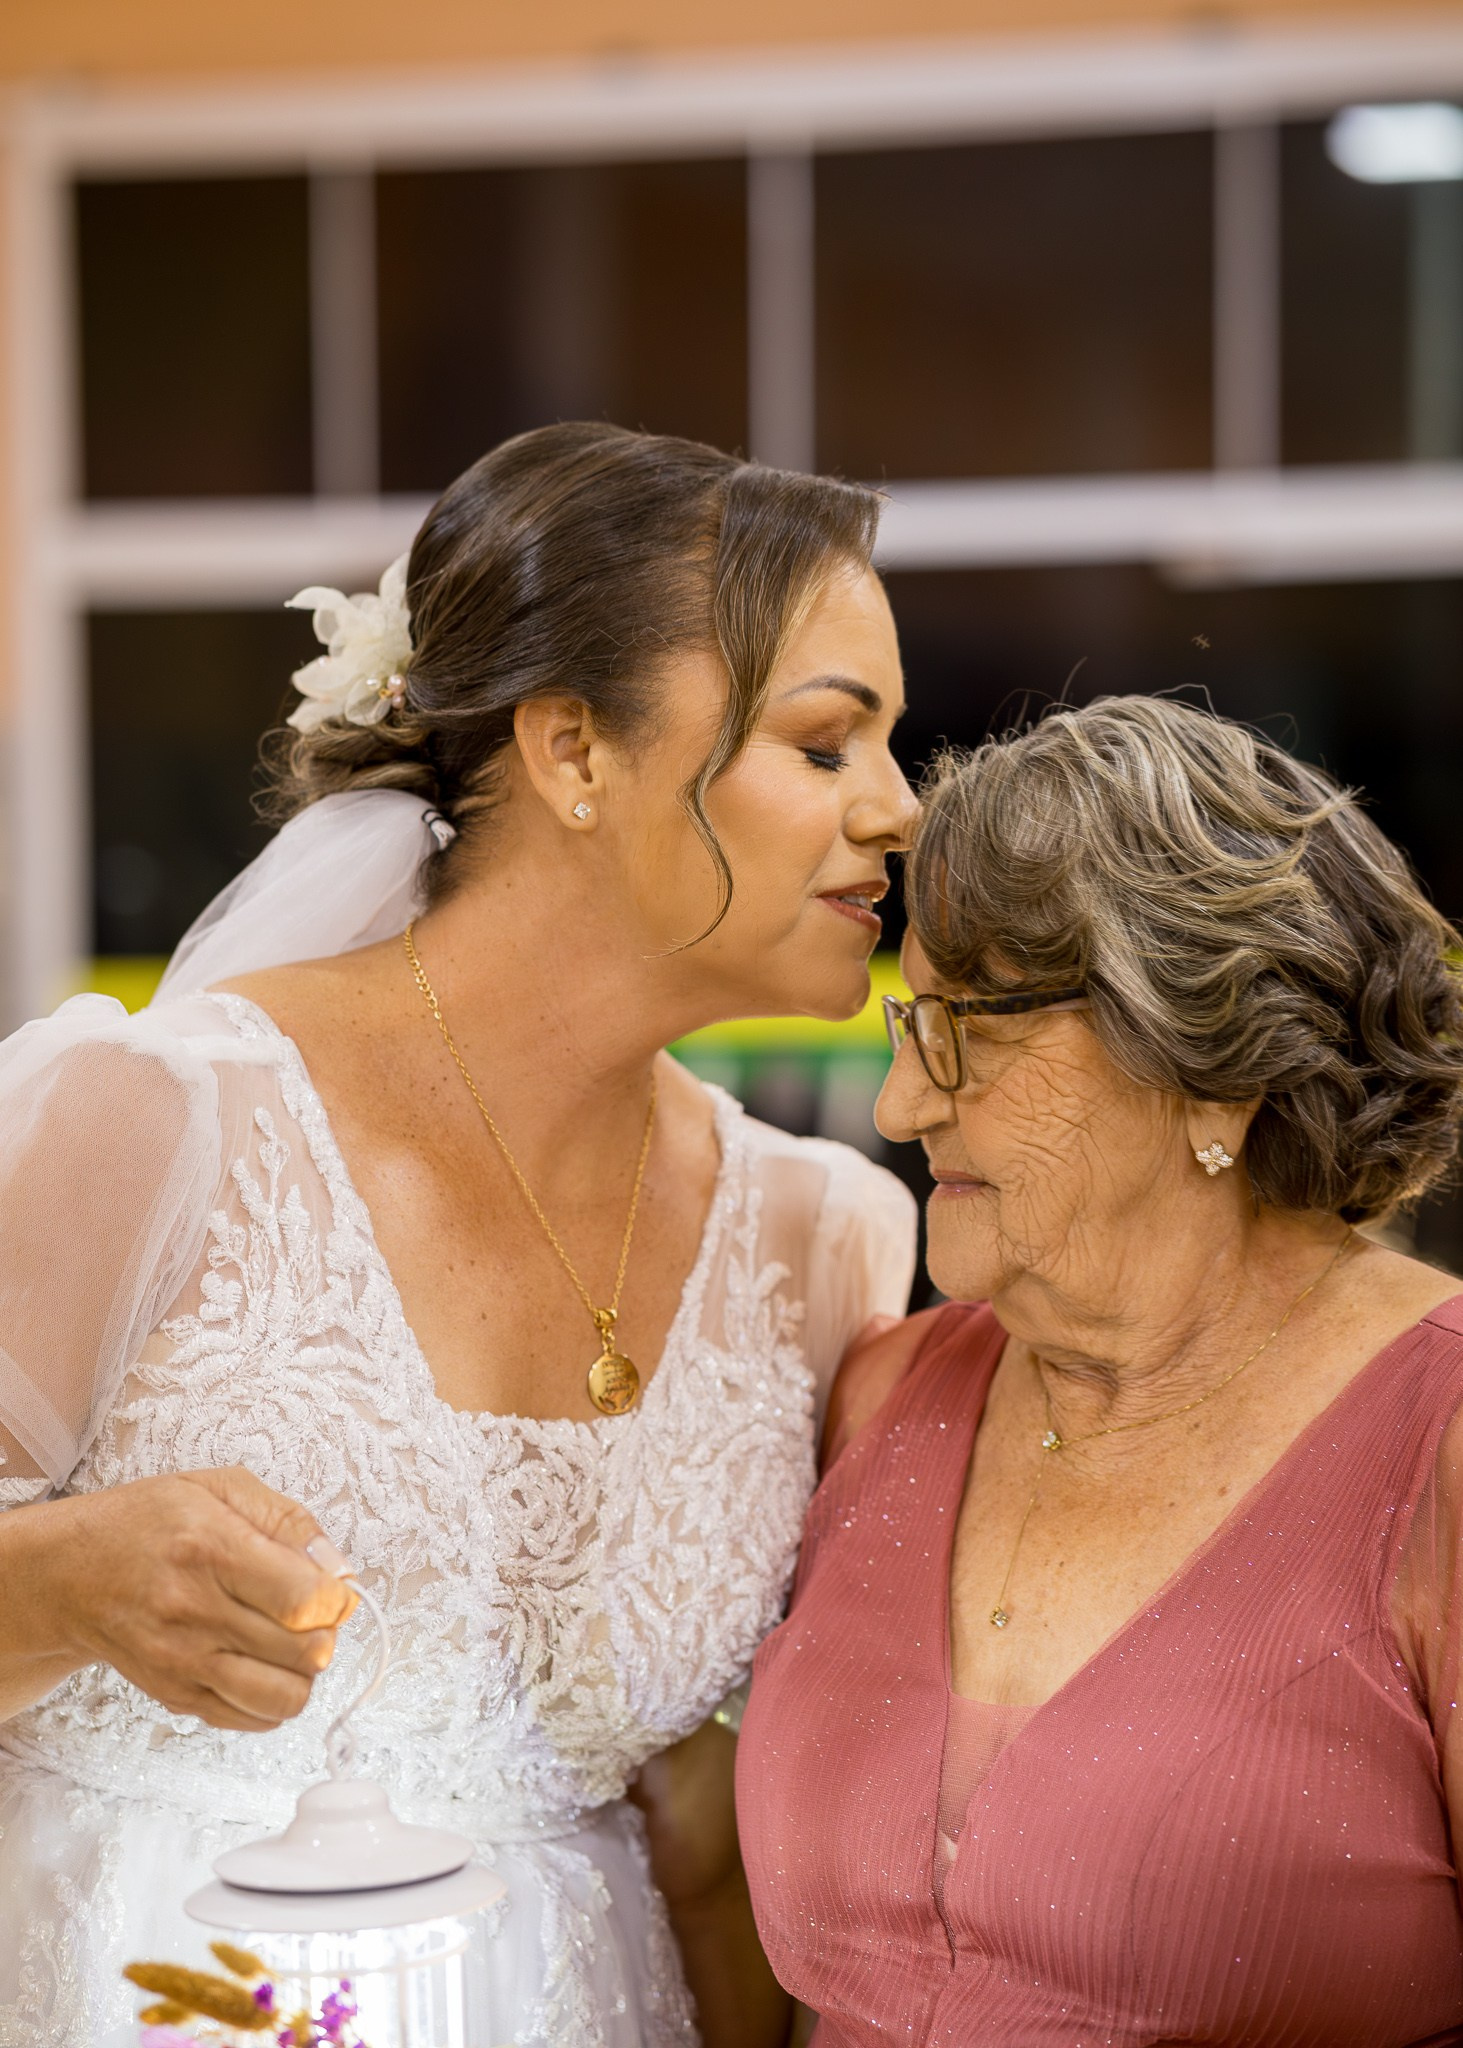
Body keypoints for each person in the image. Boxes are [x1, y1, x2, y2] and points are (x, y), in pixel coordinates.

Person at [0, 422, 919, 2048]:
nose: (901, 810)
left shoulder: (823, 1237)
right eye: (827, 743)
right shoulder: (152, 1121)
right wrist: (57, 1587)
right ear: (573, 751)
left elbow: (724, 1835)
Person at [738, 695, 1463, 2045]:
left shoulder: (1441, 1445)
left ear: (1210, 1064)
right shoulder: (881, 1394)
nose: (901, 1105)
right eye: (911, 1022)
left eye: (970, 1029)